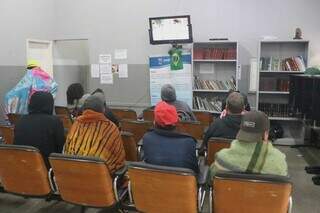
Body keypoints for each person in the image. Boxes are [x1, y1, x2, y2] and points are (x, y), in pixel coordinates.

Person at [208, 110, 288, 181]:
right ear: (266, 134)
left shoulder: (221, 158)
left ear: (241, 130)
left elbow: (211, 179)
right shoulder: (279, 162)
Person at [63, 95, 125, 175]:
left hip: (73, 176)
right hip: (99, 179)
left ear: (84, 109)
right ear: (103, 110)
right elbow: (119, 160)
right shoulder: (111, 128)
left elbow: (66, 151)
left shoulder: (75, 124)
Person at [142, 101, 199, 173]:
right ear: (176, 121)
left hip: (154, 182)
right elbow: (195, 170)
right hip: (182, 183)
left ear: (155, 122)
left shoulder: (147, 138)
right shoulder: (189, 142)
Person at [14, 91, 65, 168]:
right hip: (46, 168)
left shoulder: (21, 120)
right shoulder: (55, 122)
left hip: (21, 167)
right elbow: (61, 148)